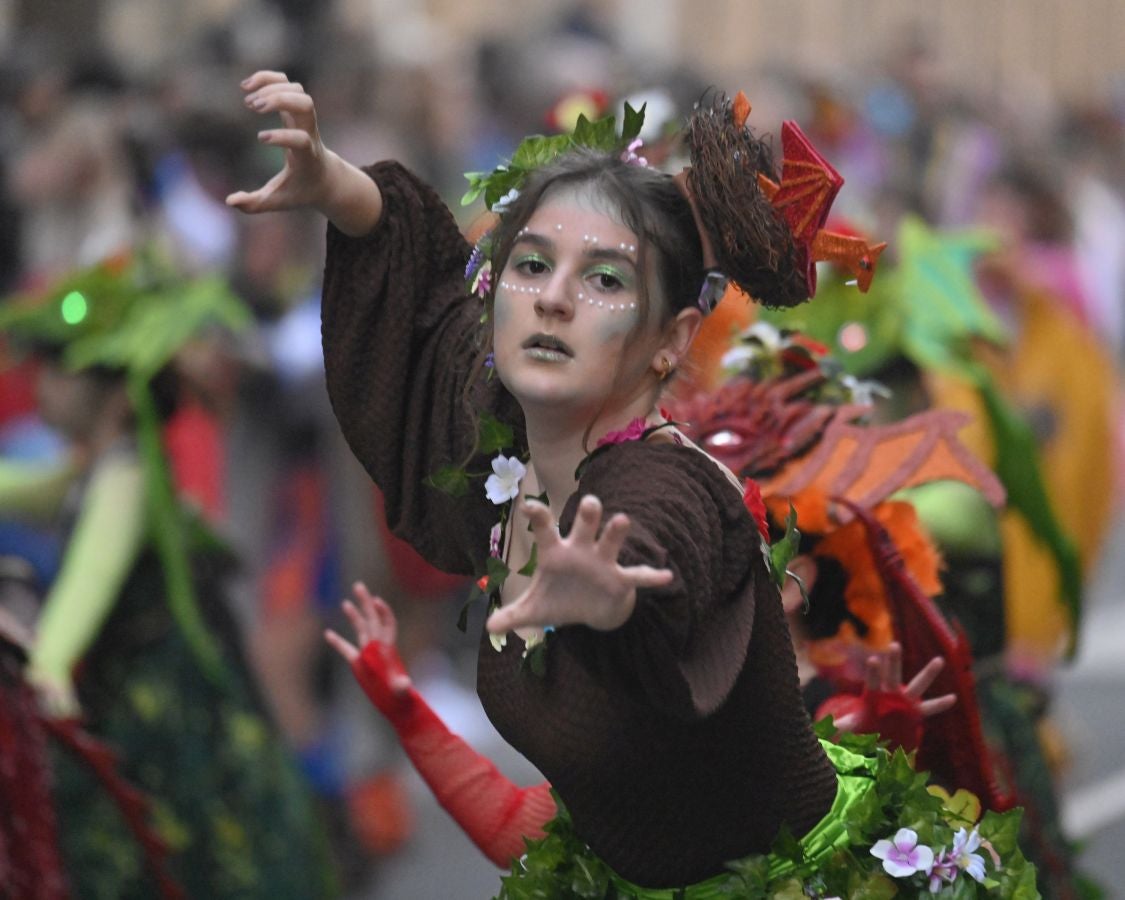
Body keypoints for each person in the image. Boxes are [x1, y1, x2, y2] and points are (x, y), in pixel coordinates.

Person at [229, 71, 1036, 897]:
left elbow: (658, 546)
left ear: (670, 339)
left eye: (605, 280)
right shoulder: (498, 470)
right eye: (531, 265)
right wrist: (338, 188)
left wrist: (615, 598)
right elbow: (433, 299)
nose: (551, 299)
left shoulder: (669, 487)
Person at [0, 256, 336, 898]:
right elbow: (23, 488)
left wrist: (46, 666)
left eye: (58, 368)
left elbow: (84, 588)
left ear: (116, 393)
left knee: (177, 865)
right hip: (130, 697)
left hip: (159, 720)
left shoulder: (124, 477)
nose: (40, 385)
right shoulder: (92, 469)